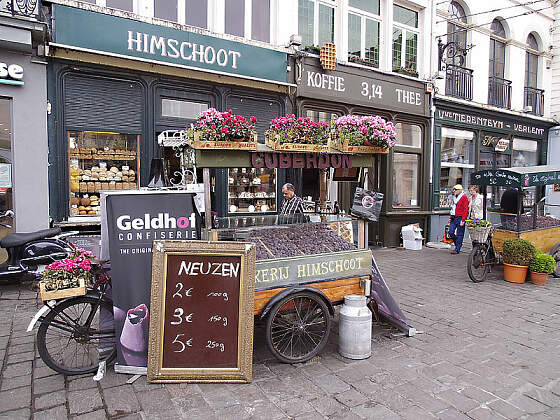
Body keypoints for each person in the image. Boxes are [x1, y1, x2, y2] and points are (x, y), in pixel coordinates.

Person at [448, 184, 469, 254]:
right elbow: (453, 208)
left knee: (460, 233)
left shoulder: (464, 197)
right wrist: (450, 217)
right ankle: (458, 244)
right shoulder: (454, 197)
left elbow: (466, 210)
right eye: (454, 189)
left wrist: (463, 220)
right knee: (450, 232)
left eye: (456, 189)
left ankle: (457, 249)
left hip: (460, 217)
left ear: (460, 190)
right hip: (453, 217)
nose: (454, 191)